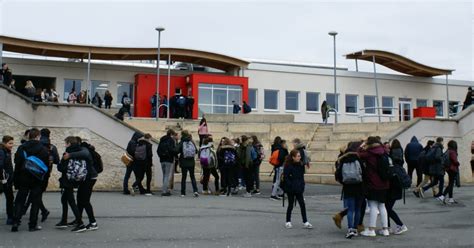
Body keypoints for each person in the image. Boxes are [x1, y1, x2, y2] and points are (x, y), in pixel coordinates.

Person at [12, 128, 49, 232]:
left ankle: (16, 222)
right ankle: (32, 225)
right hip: (37, 179)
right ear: (38, 137)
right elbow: (46, 167)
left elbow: (17, 163)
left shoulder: (22, 148)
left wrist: (16, 179)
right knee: (35, 202)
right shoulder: (43, 149)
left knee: (19, 200)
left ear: (28, 136)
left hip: (23, 177)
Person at [357, 136, 390, 237]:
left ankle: (371, 230)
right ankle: (385, 230)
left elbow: (358, 154)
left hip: (373, 183)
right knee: (382, 206)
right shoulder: (384, 150)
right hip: (385, 183)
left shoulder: (369, 153)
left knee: (373, 206)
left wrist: (361, 145)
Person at [334, 141, 365, 238]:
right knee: (358, 209)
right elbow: (364, 173)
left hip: (348, 187)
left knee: (350, 209)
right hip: (359, 186)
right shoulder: (359, 159)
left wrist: (344, 182)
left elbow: (338, 175)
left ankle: (350, 229)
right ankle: (356, 228)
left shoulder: (343, 160)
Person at [283, 149, 313, 229]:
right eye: (298, 156)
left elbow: (301, 176)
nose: (299, 157)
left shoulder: (300, 165)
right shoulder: (288, 165)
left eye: (299, 156)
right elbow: (286, 177)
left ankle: (305, 221)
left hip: (299, 187)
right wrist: (290, 185)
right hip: (291, 188)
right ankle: (288, 221)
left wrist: (302, 185)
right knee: (291, 205)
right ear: (293, 157)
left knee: (302, 205)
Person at [387, 139, 408, 235]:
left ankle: (400, 225)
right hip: (397, 185)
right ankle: (388, 227)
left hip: (393, 187)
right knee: (387, 208)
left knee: (387, 208)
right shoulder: (400, 153)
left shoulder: (391, 161)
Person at [177, 130, 199, 197]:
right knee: (192, 177)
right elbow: (196, 151)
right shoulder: (191, 141)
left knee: (184, 177)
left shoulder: (182, 142)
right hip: (191, 162)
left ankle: (183, 192)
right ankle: (195, 191)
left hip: (184, 161)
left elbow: (176, 150)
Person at [157, 129, 178, 196]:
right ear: (171, 134)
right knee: (167, 175)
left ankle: (165, 189)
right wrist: (175, 156)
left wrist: (161, 156)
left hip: (162, 160)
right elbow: (172, 150)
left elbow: (158, 150)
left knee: (164, 175)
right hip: (168, 160)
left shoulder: (162, 139)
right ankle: (164, 191)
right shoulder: (171, 140)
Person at [0, 135, 15, 225]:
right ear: (4, 143)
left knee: (10, 198)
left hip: (7, 179)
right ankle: (10, 218)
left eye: (12, 143)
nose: (11, 145)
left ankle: (10, 217)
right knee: (10, 198)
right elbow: (1, 165)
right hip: (4, 179)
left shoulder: (6, 151)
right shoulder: (2, 151)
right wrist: (5, 177)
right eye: (10, 143)